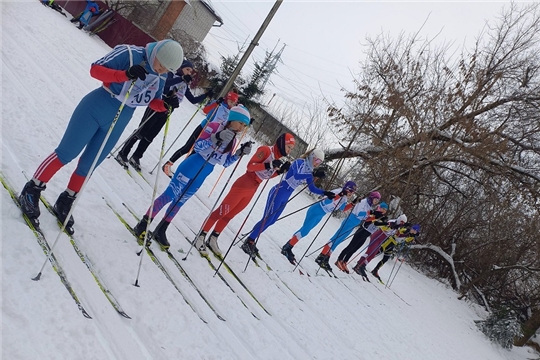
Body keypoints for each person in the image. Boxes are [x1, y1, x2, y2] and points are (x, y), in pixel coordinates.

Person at [19, 40, 184, 235]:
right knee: (66, 153)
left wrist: (165, 104)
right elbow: (95, 70)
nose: (162, 70)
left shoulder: (161, 75)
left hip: (121, 118)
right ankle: (31, 190)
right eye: (162, 64)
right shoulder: (129, 53)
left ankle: (66, 200)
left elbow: (152, 101)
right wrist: (124, 75)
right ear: (156, 52)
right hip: (97, 106)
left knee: (90, 164)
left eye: (167, 69)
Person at [133, 105, 252, 250]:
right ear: (233, 119)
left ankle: (161, 229)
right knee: (169, 195)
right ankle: (143, 224)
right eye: (241, 123)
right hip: (192, 165)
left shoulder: (232, 140)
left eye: (244, 125)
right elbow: (197, 146)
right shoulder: (214, 126)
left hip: (204, 172)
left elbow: (225, 162)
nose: (241, 128)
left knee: (180, 201)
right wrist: (216, 138)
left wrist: (239, 153)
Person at [196, 133, 296, 256]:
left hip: (253, 189)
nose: (289, 150)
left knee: (229, 215)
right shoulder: (265, 150)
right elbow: (250, 167)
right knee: (221, 212)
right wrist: (269, 164)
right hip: (243, 185)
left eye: (291, 149)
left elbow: (266, 175)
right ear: (281, 143)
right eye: (288, 146)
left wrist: (280, 171)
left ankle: (213, 238)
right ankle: (201, 236)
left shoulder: (277, 158)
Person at [116, 59, 213, 171]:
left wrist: (206, 95)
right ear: (181, 68)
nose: (189, 73)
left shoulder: (184, 83)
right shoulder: (171, 74)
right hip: (157, 105)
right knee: (142, 131)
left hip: (167, 110)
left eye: (190, 71)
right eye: (187, 69)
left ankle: (136, 156)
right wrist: (180, 78)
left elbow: (192, 99)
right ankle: (123, 152)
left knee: (150, 135)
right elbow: (166, 84)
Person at [241, 149, 334, 260]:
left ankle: (252, 237)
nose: (317, 163)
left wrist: (325, 193)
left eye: (320, 162)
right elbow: (295, 175)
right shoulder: (299, 162)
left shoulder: (309, 170)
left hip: (285, 197)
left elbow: (312, 188)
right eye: (317, 160)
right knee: (268, 219)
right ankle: (250, 240)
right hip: (279, 191)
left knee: (272, 220)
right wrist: (311, 174)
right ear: (312, 156)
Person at [161, 90, 239, 177]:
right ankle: (168, 164)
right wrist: (216, 103)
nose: (231, 104)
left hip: (212, 134)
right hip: (203, 128)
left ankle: (182, 170)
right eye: (231, 101)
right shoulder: (219, 104)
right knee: (187, 147)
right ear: (227, 99)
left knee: (195, 153)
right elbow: (205, 110)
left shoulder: (231, 112)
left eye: (234, 103)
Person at [279, 181, 357, 264]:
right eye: (351, 191)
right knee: (305, 231)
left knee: (305, 231)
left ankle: (289, 246)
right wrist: (340, 195)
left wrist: (353, 203)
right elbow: (327, 201)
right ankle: (287, 247)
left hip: (321, 214)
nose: (351, 194)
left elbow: (343, 209)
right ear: (347, 189)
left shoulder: (344, 198)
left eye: (353, 193)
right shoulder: (337, 192)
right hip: (316, 210)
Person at [314, 191, 382, 272]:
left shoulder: (369, 206)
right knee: (335, 238)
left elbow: (365, 218)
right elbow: (358, 213)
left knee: (339, 241)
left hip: (353, 224)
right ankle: (321, 256)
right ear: (372, 197)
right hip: (350, 221)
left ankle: (326, 257)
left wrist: (374, 217)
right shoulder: (363, 202)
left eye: (377, 201)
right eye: (375, 199)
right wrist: (371, 213)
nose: (376, 202)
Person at [335, 202, 389, 273]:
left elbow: (381, 225)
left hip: (367, 234)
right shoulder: (374, 212)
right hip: (362, 230)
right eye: (383, 208)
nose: (384, 211)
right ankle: (339, 259)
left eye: (385, 210)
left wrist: (385, 223)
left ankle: (345, 261)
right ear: (379, 207)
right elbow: (371, 221)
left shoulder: (382, 217)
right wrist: (379, 220)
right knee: (351, 246)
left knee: (355, 249)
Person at [351, 214, 409, 278]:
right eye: (402, 221)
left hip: (382, 239)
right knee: (370, 251)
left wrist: (407, 234)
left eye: (403, 223)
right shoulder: (393, 221)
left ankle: (363, 265)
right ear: (399, 219)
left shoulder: (398, 227)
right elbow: (387, 224)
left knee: (374, 253)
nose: (402, 223)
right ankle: (358, 265)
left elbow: (398, 235)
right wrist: (391, 226)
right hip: (378, 235)